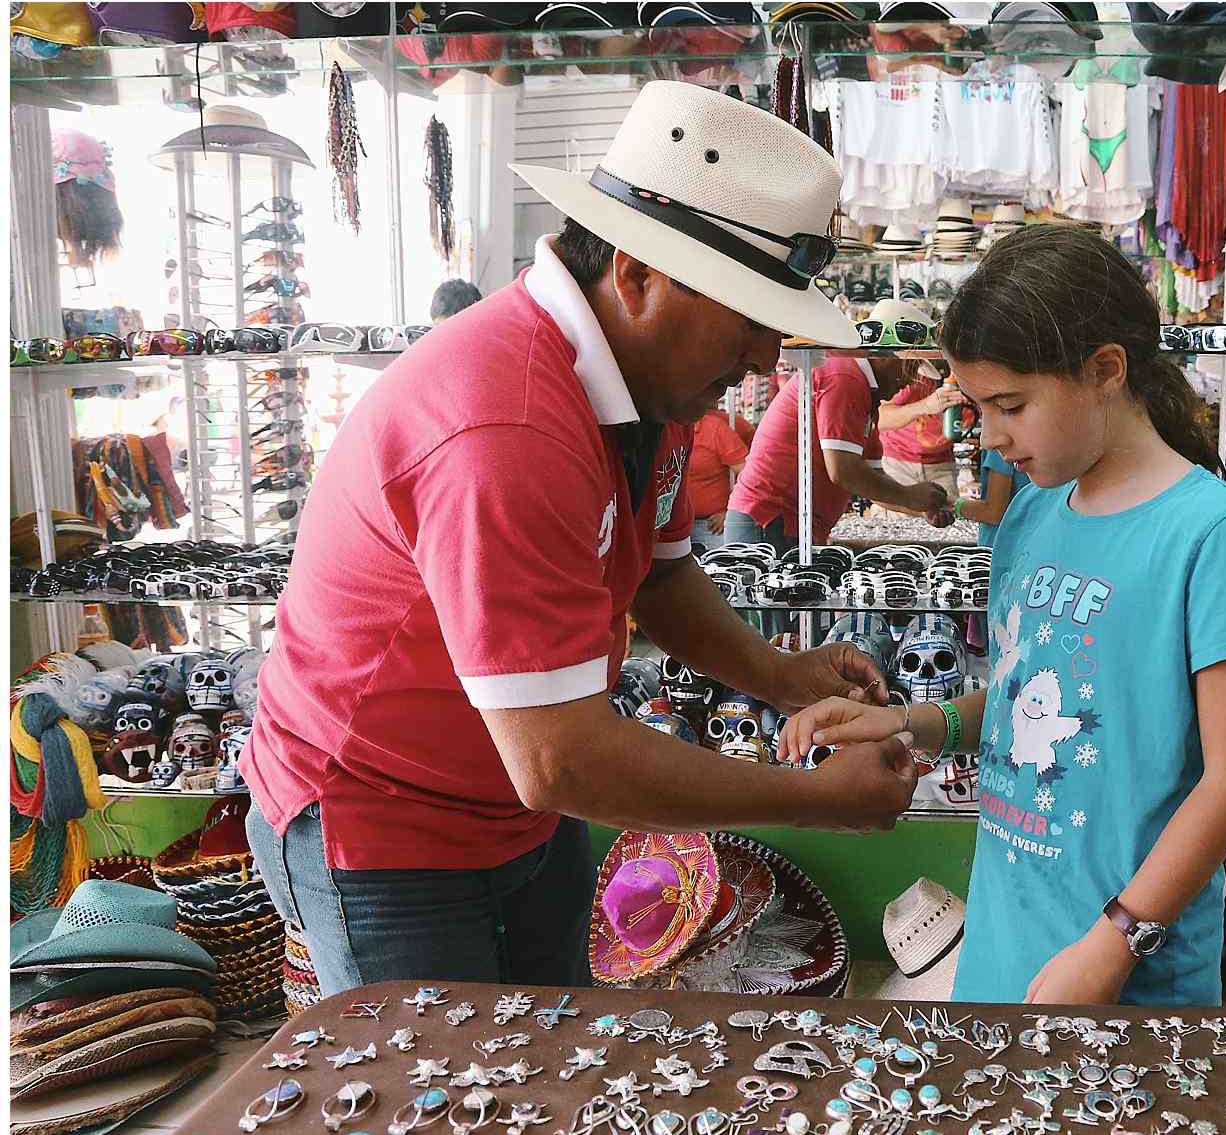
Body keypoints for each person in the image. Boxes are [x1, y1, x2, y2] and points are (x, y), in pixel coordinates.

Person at [242, 81, 920, 994]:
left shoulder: (655, 384)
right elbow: (557, 755)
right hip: (385, 815)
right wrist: (812, 801)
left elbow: (661, 579)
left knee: (546, 1061)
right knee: (440, 1099)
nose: (767, 358)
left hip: (519, 802)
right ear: (638, 277)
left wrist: (781, 675)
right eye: (751, 320)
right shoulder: (508, 425)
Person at [777, 226, 1226, 1006]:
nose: (989, 436)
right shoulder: (1030, 515)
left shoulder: (1213, 532)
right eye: (977, 408)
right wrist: (909, 724)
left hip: (1125, 967)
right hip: (1004, 933)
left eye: (1010, 405)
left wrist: (1117, 939)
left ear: (1106, 371)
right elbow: (1033, 689)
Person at [725, 341, 951, 553]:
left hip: (788, 523)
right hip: (770, 520)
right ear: (886, 357)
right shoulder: (844, 376)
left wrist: (920, 507)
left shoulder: (863, 393)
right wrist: (910, 497)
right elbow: (843, 471)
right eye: (911, 367)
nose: (910, 382)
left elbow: (871, 478)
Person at [870, 300, 961, 504]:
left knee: (945, 526)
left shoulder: (953, 370)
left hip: (941, 464)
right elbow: (880, 418)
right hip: (898, 463)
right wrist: (925, 406)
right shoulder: (897, 373)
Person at [686, 408, 751, 548]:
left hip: (711, 526)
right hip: (669, 526)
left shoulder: (714, 428)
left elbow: (749, 477)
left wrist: (731, 512)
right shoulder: (661, 429)